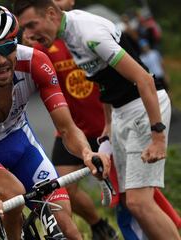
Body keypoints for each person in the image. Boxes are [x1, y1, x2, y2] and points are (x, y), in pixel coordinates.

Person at [13, 0, 180, 239]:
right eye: (24, 29)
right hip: (121, 111)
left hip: (143, 109)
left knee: (139, 203)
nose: (28, 35)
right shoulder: (67, 32)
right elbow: (104, 81)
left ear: (51, 14)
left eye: (31, 25)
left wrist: (158, 136)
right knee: (130, 202)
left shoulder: (89, 34)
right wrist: (109, 124)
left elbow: (145, 79)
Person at [0, 5, 110, 240]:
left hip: (20, 143)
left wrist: (85, 152)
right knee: (14, 194)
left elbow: (66, 127)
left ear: (16, 42)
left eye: (7, 48)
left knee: (68, 228)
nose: (0, 60)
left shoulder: (35, 62)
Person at [20, 0, 118, 238]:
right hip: (73, 127)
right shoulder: (46, 40)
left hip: (107, 123)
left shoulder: (83, 31)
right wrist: (27, 45)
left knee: (127, 194)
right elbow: (30, 60)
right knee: (63, 186)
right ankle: (99, 226)